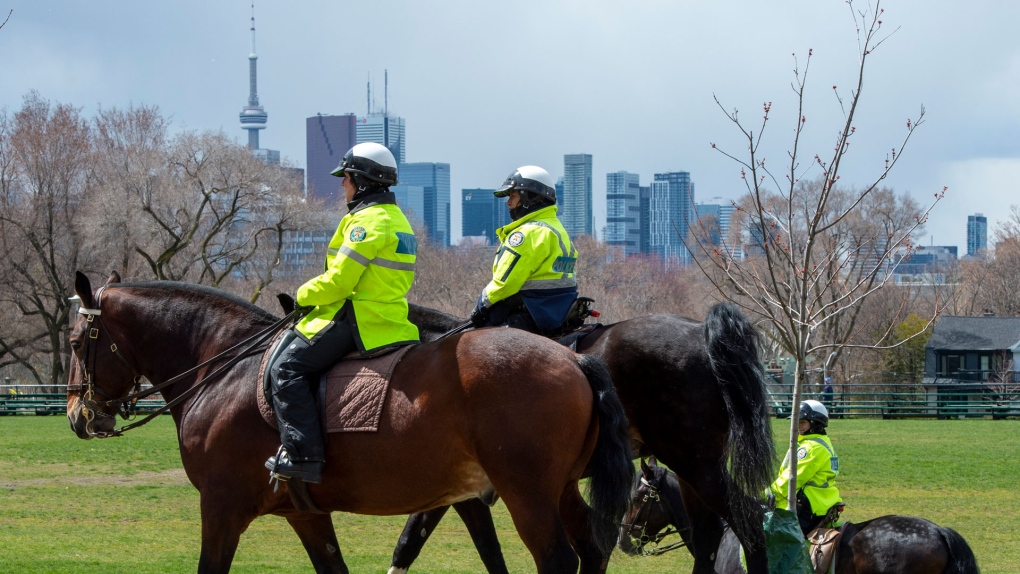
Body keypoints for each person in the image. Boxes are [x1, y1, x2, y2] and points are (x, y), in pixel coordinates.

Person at [265, 142, 419, 484]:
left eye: (346, 178)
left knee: (286, 368)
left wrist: (303, 295)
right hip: (392, 320)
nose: (341, 185)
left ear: (361, 182)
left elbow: (339, 282)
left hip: (356, 319)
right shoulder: (399, 221)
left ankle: (303, 456)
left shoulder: (365, 223)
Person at [469, 165, 578, 335]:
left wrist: (481, 304)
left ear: (530, 198)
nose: (508, 202)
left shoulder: (526, 234)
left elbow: (505, 283)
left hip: (531, 313)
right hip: (558, 313)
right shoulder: (558, 230)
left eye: (513, 195)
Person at [766, 399, 842, 536]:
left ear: (815, 423)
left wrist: (766, 494)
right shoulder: (820, 443)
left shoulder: (811, 448)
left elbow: (791, 480)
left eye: (802, 422)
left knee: (776, 541)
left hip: (809, 507)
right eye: (796, 422)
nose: (798, 426)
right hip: (821, 503)